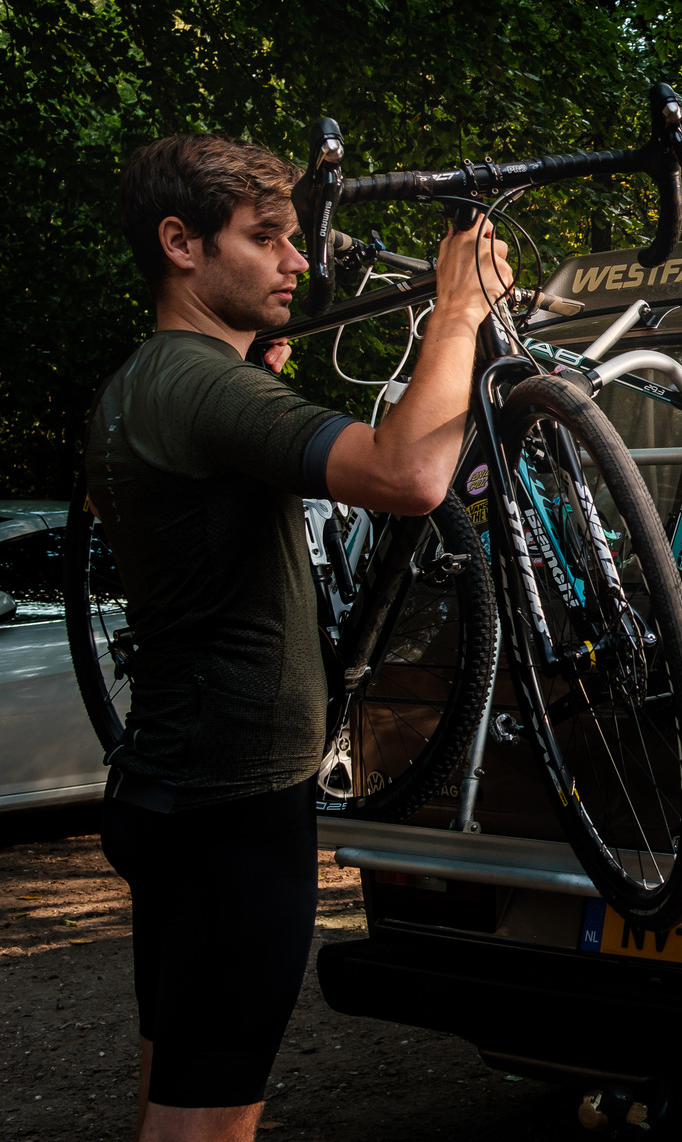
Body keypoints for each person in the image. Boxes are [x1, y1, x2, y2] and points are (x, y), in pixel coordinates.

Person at [85, 133, 510, 1142]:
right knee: (205, 1122)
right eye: (266, 237)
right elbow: (409, 475)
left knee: (172, 1086)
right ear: (181, 244)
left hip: (173, 781)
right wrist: (459, 311)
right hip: (232, 805)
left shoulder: (151, 380)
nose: (296, 260)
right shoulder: (199, 384)